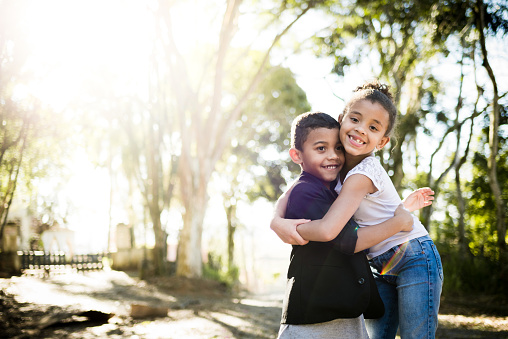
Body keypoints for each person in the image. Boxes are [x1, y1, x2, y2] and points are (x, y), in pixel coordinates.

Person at [271, 81, 443, 339]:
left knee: (415, 335)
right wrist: (276, 220)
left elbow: (331, 229)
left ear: (382, 141)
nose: (361, 130)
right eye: (355, 119)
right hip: (378, 262)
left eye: (373, 127)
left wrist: (295, 228)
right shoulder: (335, 166)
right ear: (342, 120)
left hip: (413, 256)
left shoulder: (363, 173)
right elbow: (291, 191)